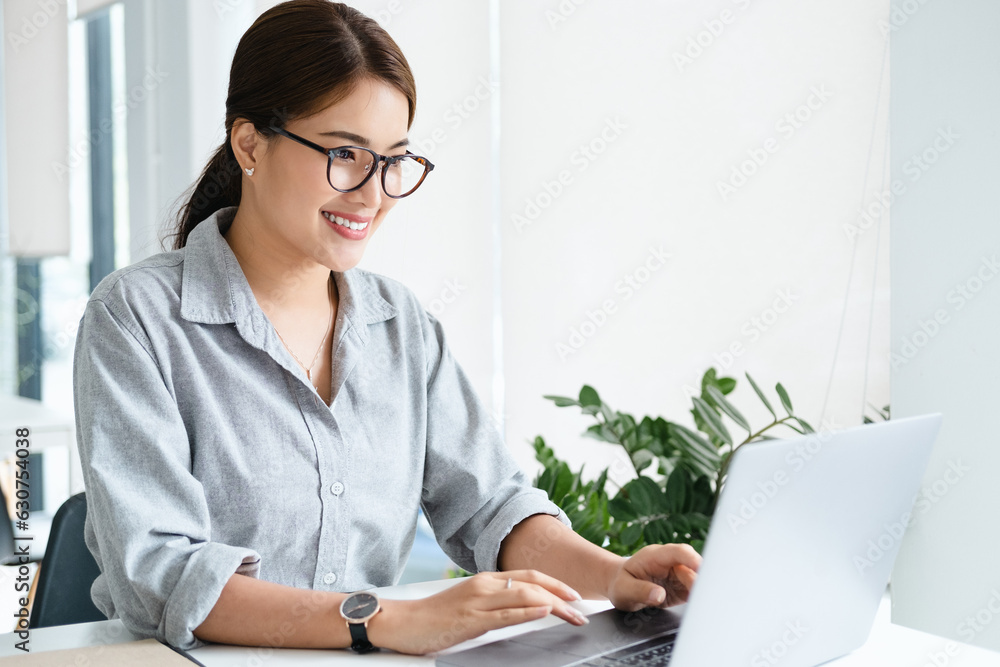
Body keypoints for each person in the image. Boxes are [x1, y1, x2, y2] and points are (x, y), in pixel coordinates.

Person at [72, 0, 700, 656]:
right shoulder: (135, 318)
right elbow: (162, 575)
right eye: (344, 153)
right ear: (249, 142)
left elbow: (490, 506)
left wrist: (612, 574)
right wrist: (382, 620)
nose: (372, 195)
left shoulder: (400, 325)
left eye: (393, 160)